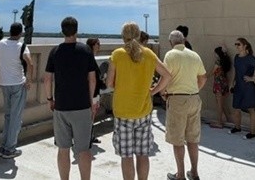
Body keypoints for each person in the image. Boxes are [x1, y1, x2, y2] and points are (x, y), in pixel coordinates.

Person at [108, 22, 171, 180]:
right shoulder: (149, 54)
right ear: (138, 35)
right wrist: (153, 91)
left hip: (123, 112)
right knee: (143, 154)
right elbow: (167, 75)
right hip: (143, 111)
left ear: (123, 36)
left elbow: (109, 83)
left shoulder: (117, 54)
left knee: (127, 156)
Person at [43, 17, 98, 180]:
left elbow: (47, 79)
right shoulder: (86, 51)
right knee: (84, 149)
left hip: (61, 106)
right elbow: (92, 79)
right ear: (77, 30)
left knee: (63, 149)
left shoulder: (55, 52)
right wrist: (92, 102)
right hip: (82, 107)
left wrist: (49, 99)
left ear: (62, 31)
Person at [161, 30, 207, 180]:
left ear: (170, 42)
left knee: (178, 139)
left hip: (177, 99)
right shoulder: (194, 55)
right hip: (194, 98)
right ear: (184, 40)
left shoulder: (170, 55)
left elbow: (166, 77)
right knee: (193, 138)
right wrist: (194, 90)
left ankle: (180, 174)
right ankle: (194, 172)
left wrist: (162, 91)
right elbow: (203, 78)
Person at [0, 22, 34, 158]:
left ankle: (3, 146)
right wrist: (29, 79)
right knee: (16, 117)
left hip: (4, 83)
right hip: (18, 84)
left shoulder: (1, 43)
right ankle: (10, 149)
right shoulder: (22, 46)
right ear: (20, 33)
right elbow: (30, 63)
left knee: (8, 116)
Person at [230, 37, 255, 139]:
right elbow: (236, 72)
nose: (236, 46)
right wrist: (232, 83)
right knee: (236, 108)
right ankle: (237, 127)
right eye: (235, 44)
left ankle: (252, 133)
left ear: (245, 46)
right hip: (238, 87)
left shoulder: (250, 58)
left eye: (238, 44)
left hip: (248, 88)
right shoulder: (236, 57)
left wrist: (253, 78)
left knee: (251, 110)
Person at [86, 37, 107, 144]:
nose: (99, 46)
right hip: (93, 93)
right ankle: (88, 137)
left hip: (92, 92)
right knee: (91, 115)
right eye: (98, 44)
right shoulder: (90, 59)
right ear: (93, 45)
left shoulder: (89, 58)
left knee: (91, 115)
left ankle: (89, 136)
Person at [208, 46, 232, 128]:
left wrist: (205, 77)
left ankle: (219, 122)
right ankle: (227, 119)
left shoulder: (218, 62)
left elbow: (212, 72)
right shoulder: (226, 61)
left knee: (219, 103)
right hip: (224, 82)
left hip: (218, 83)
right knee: (222, 102)